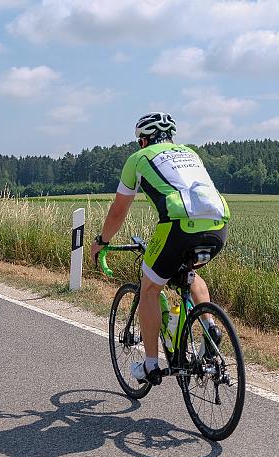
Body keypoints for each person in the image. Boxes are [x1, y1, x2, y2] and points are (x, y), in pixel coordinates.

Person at [90, 112, 230, 386]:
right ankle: (209, 329)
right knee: (190, 276)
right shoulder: (190, 154)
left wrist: (102, 240)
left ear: (144, 139)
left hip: (178, 225)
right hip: (218, 225)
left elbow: (119, 211)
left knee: (150, 287)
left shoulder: (138, 159)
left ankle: (151, 365)